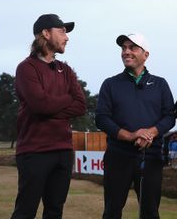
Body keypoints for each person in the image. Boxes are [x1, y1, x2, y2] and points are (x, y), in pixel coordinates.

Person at [10, 14, 86, 219]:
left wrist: (50, 106)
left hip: (63, 151)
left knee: (54, 211)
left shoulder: (66, 70)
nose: (67, 37)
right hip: (34, 151)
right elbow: (40, 105)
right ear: (45, 33)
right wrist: (64, 99)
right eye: (62, 31)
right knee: (25, 211)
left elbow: (80, 106)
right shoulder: (26, 68)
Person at [95, 33, 175, 219]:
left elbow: (169, 117)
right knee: (112, 212)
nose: (126, 52)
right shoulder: (110, 84)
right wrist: (131, 135)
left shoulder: (160, 84)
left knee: (150, 213)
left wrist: (150, 133)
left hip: (151, 157)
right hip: (118, 157)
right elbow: (101, 118)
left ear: (145, 54)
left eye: (132, 48)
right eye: (124, 48)